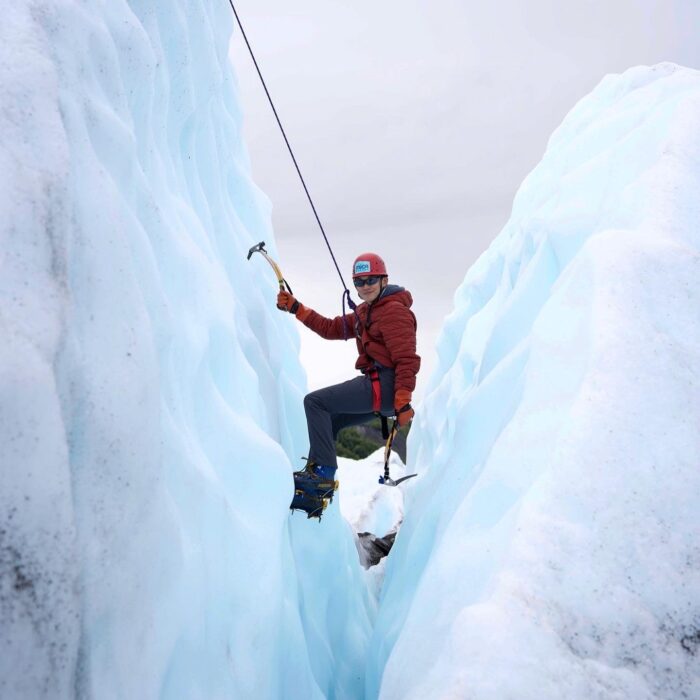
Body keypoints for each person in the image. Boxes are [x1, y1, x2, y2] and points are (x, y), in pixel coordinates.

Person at [277, 252, 420, 514]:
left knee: (315, 402)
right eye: (359, 281)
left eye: (370, 280)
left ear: (384, 279)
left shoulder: (393, 312)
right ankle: (316, 475)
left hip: (386, 386)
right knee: (331, 419)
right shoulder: (367, 312)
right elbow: (331, 328)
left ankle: (322, 476)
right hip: (379, 386)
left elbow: (406, 360)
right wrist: (297, 308)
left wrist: (403, 399)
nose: (365, 286)